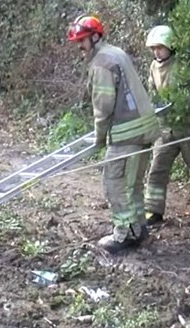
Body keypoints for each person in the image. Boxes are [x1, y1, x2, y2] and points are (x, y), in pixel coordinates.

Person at [67, 14, 162, 253]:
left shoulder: (101, 63)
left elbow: (103, 105)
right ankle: (138, 227)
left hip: (126, 133)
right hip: (143, 129)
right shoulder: (115, 53)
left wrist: (99, 137)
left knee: (115, 183)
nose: (80, 46)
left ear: (95, 37)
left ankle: (124, 234)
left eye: (83, 41)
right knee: (133, 183)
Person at [143, 24, 190, 225]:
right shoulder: (153, 67)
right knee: (157, 170)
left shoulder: (187, 66)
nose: (156, 52)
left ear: (171, 46)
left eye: (160, 47)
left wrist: (189, 105)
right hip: (165, 128)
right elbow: (152, 93)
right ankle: (153, 211)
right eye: (153, 48)